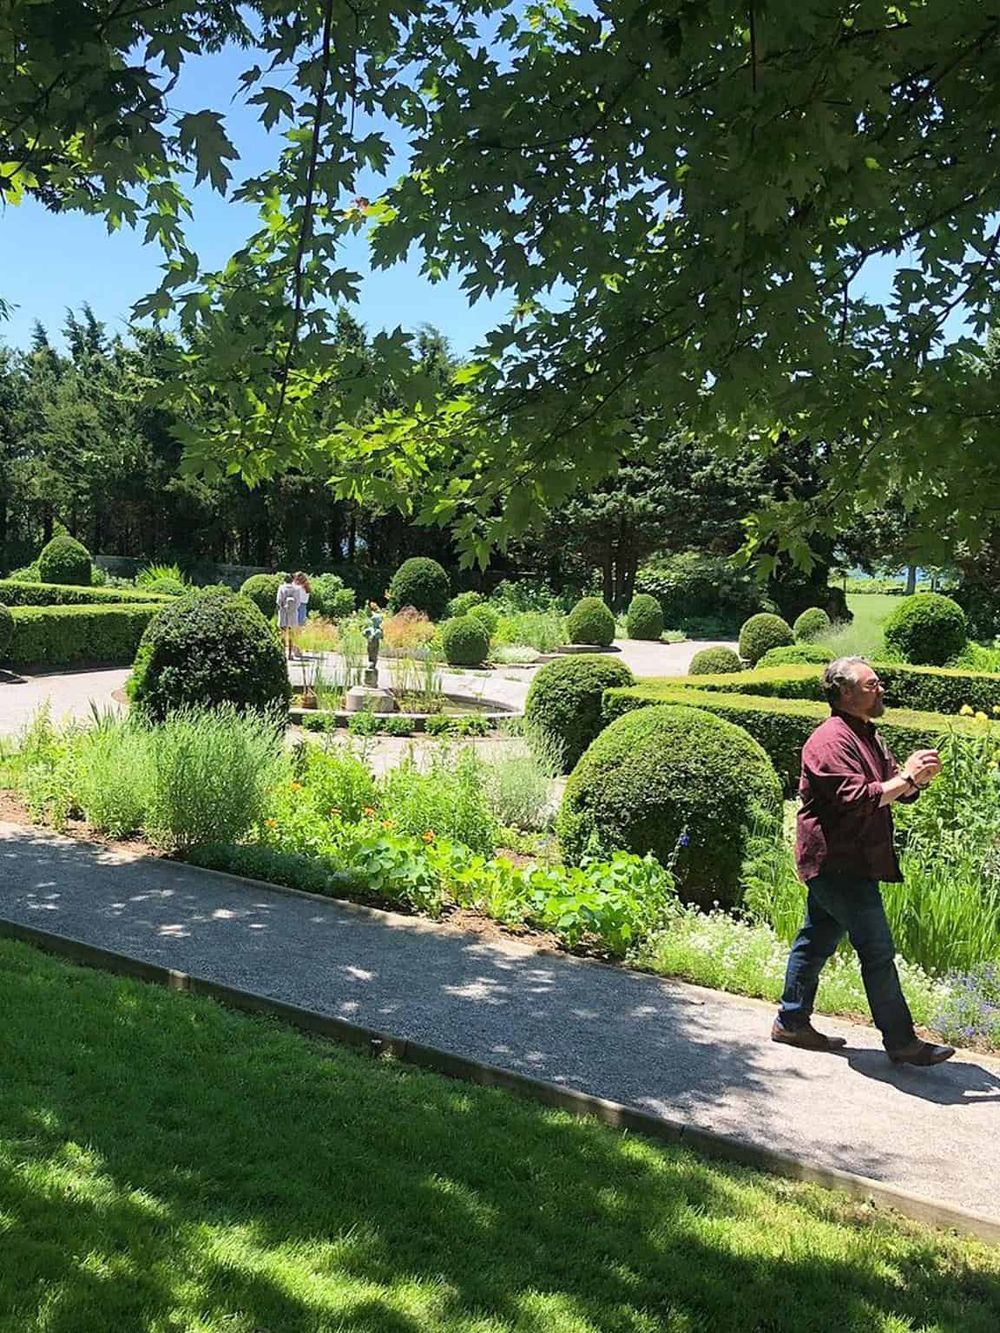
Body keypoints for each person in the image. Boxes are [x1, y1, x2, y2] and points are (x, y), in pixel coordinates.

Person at [773, 655, 955, 1066]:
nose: (881, 689)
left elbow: (891, 786)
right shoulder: (828, 741)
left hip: (853, 861)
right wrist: (905, 779)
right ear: (845, 693)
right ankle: (901, 1040)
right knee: (877, 949)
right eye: (871, 684)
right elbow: (858, 799)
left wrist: (915, 780)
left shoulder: (868, 734)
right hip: (836, 863)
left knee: (816, 938)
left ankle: (792, 1020)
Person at [276, 572, 298, 660]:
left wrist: (283, 607)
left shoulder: (281, 588)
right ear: (292, 580)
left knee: (282, 633)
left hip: (283, 613)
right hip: (292, 614)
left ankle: (282, 653)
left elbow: (278, 601)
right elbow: (298, 602)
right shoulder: (296, 589)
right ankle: (290, 654)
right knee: (291, 635)